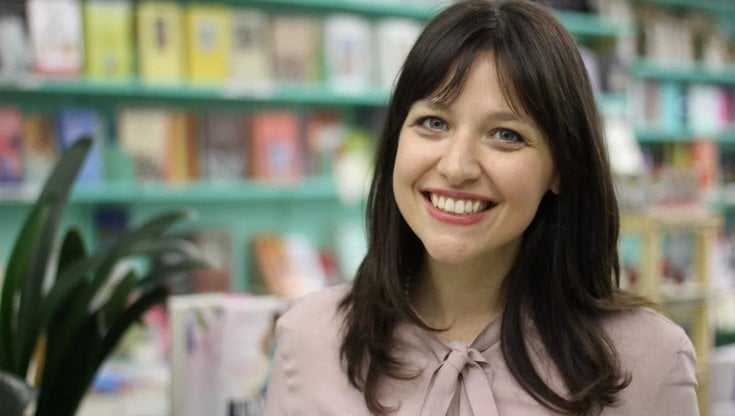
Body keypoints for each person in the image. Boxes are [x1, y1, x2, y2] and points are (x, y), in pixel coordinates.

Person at [262, 0, 699, 415]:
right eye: (433, 122)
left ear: (561, 166)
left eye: (506, 135)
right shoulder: (308, 339)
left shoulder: (649, 360)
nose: (456, 167)